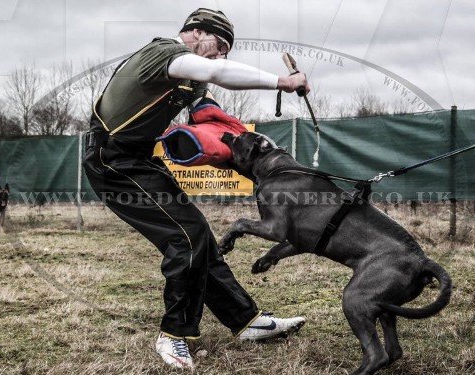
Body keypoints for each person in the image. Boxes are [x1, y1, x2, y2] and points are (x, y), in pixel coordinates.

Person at [83, 8, 310, 369]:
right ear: (196, 31)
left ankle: (245, 321)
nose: (221, 55)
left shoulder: (192, 76)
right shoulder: (164, 54)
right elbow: (216, 72)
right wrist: (282, 82)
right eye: (219, 45)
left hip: (140, 158)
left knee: (198, 233)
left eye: (226, 50)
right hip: (110, 160)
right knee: (185, 237)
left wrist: (233, 141)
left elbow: (206, 108)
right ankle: (173, 335)